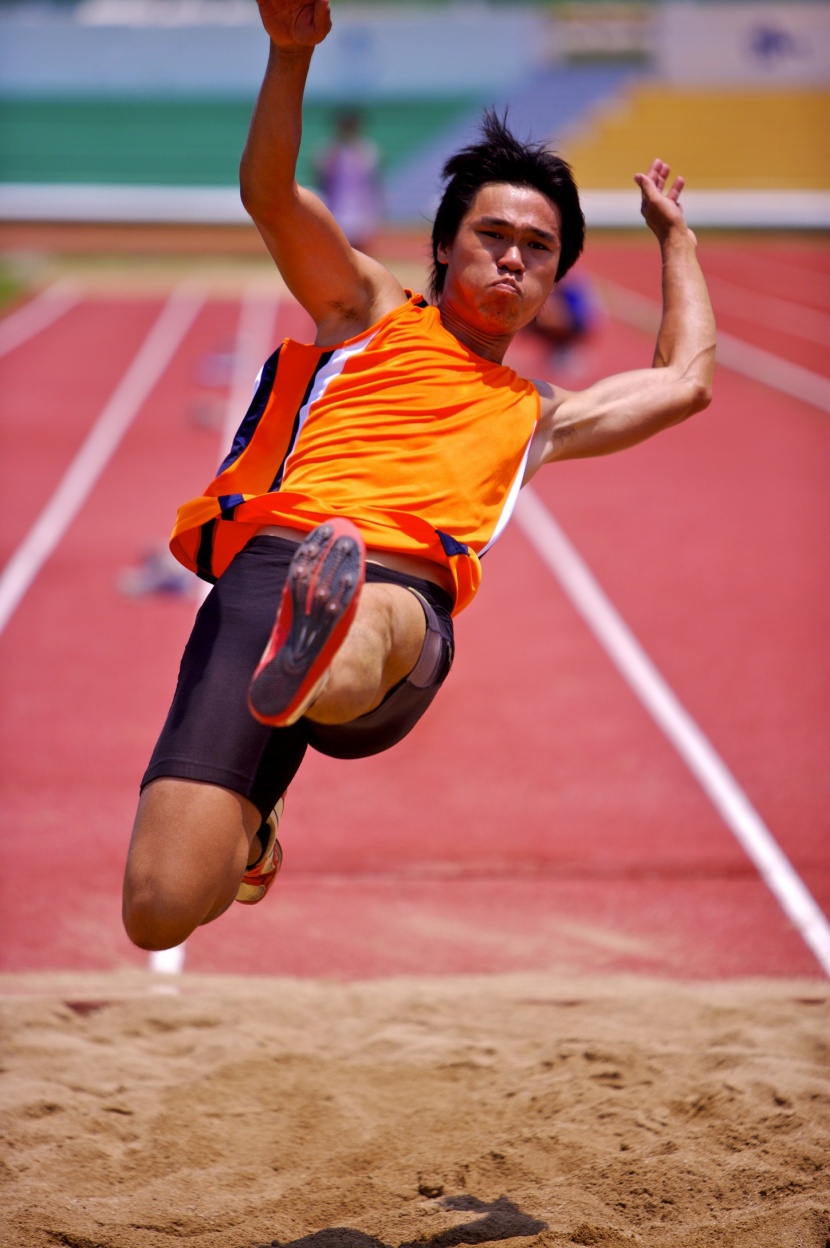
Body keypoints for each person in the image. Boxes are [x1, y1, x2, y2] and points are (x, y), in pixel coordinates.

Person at [122, 0, 715, 953]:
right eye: (492, 235)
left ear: (554, 278)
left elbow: (685, 384)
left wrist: (674, 236)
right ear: (444, 244)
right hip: (267, 579)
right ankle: (258, 821)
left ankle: (325, 641)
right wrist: (288, 57)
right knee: (158, 911)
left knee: (366, 602)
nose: (513, 258)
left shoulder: (539, 416)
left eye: (539, 248)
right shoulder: (363, 311)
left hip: (399, 603)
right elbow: (272, 196)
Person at [313, 108, 384, 251]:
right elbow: (321, 177)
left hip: (361, 207)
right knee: (338, 249)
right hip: (337, 206)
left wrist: (377, 205)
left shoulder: (366, 149)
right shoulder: (330, 150)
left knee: (361, 252)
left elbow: (374, 181)